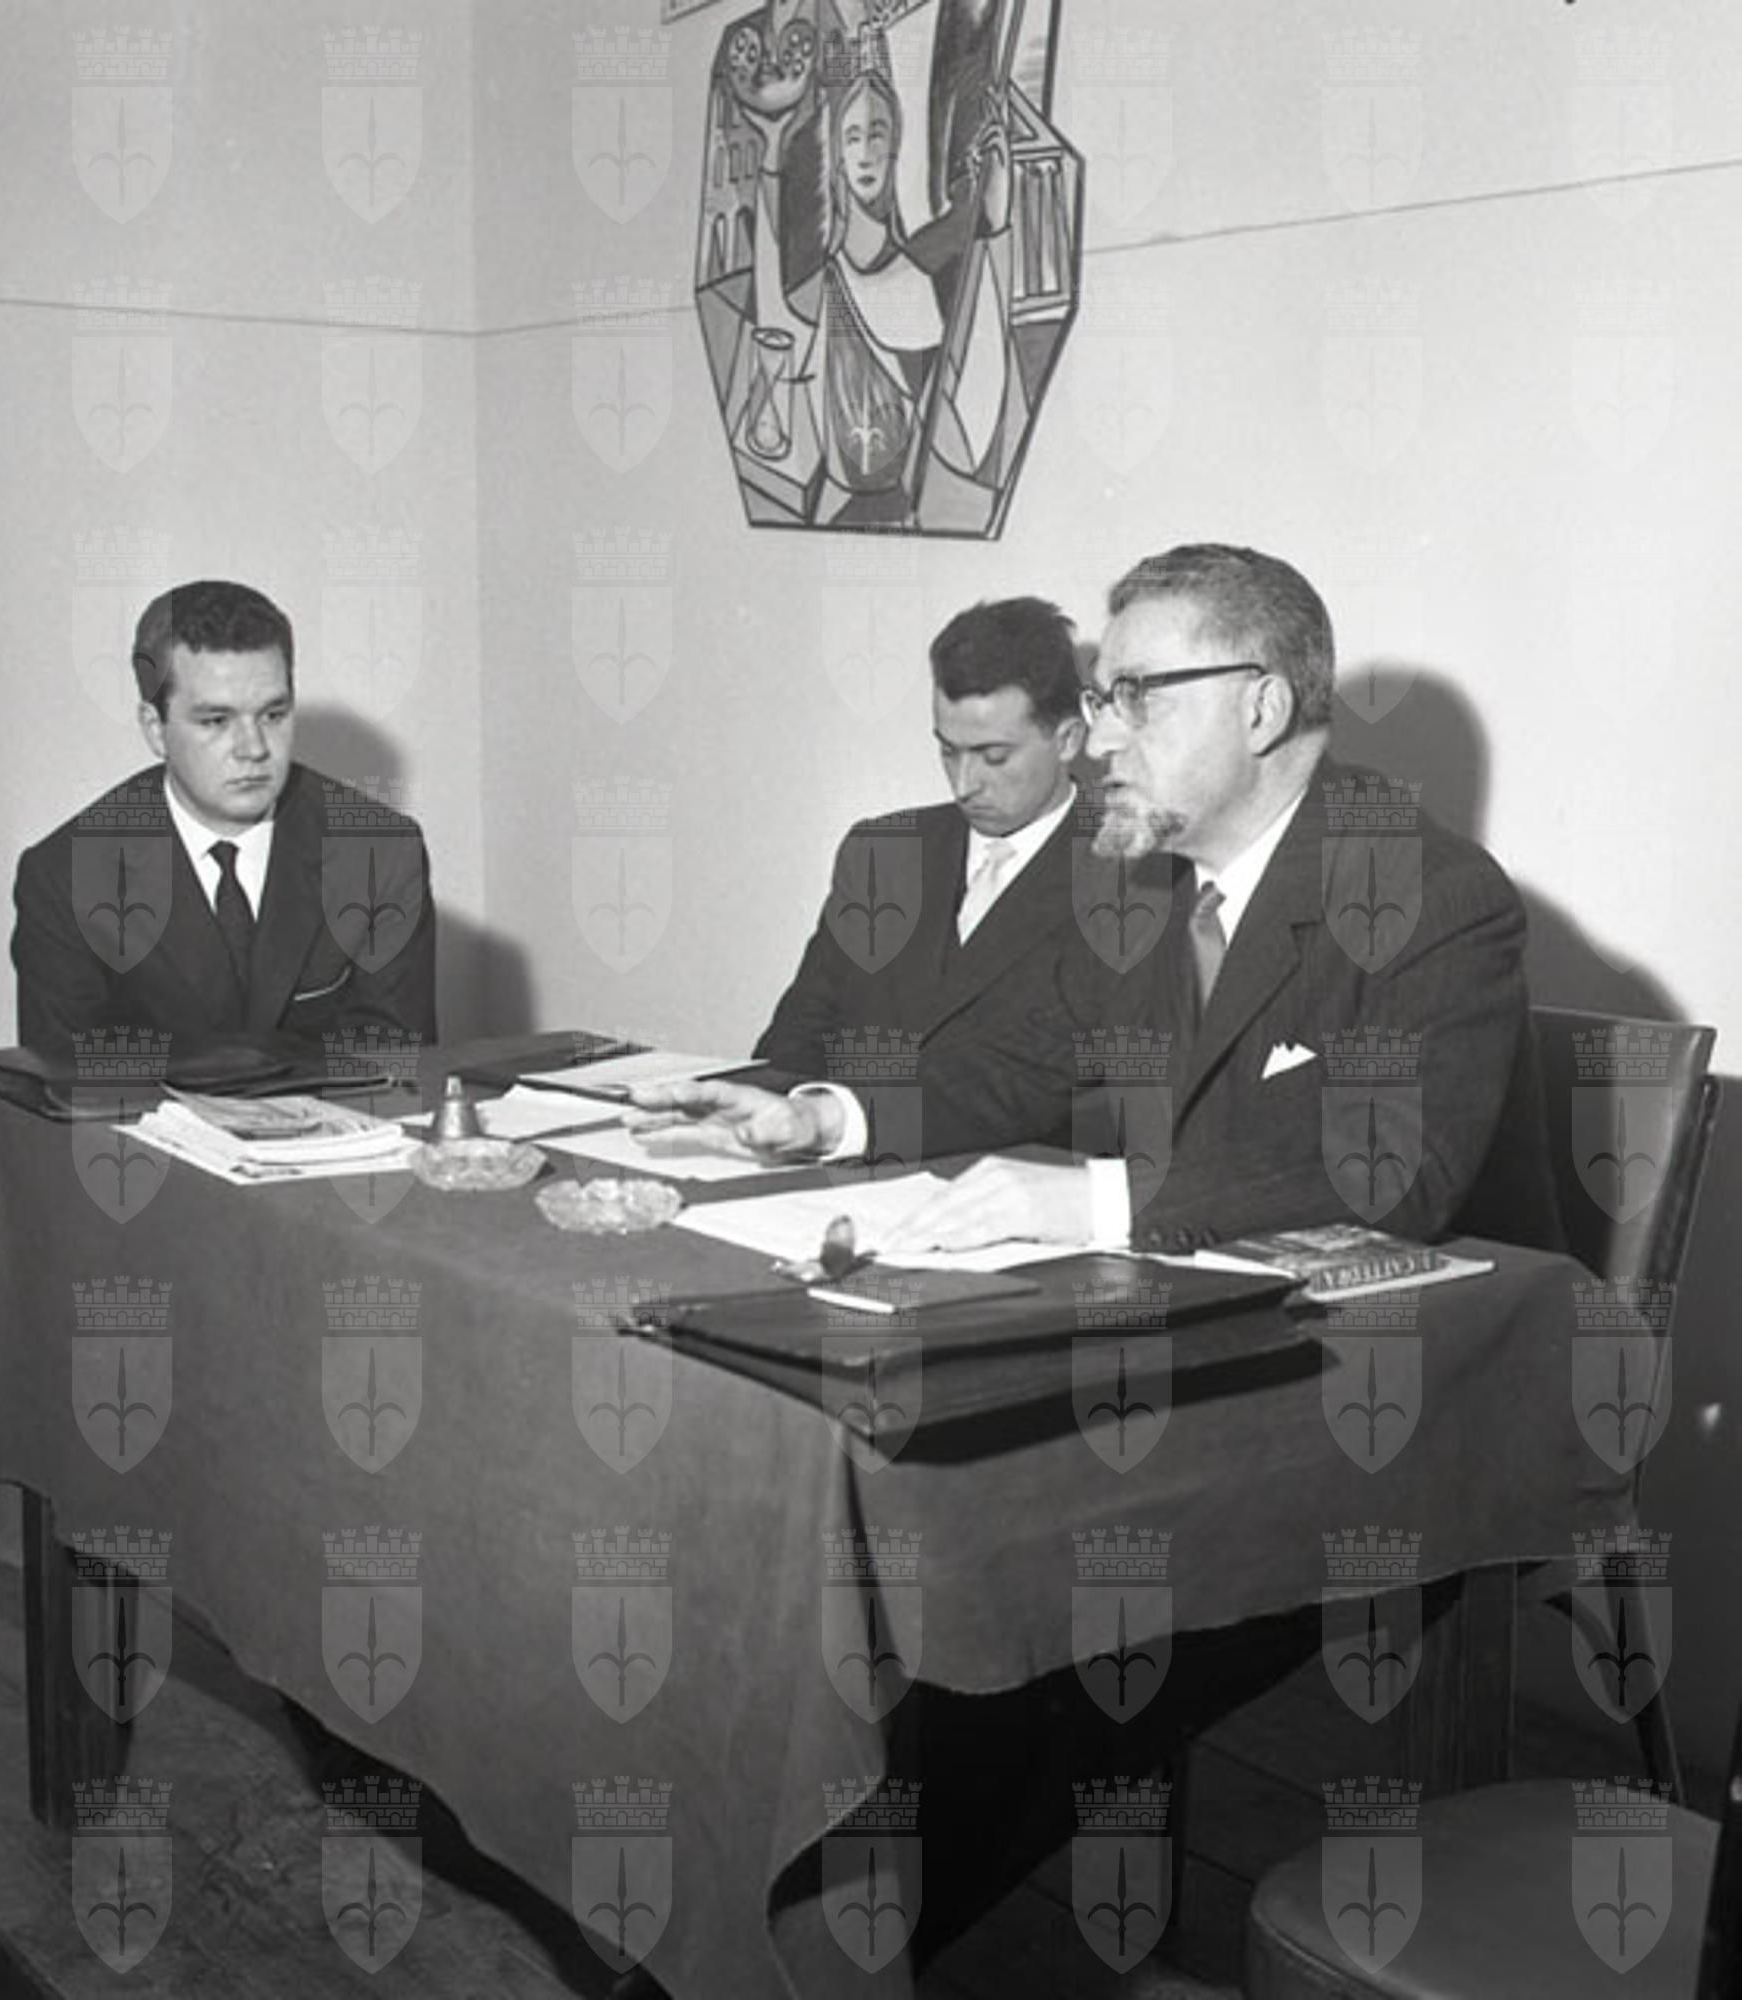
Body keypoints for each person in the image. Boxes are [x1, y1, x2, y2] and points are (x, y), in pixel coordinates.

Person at [641, 545, 1558, 1255]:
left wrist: (1092, 1201)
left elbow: (1393, 1170)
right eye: (1100, 700)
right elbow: (1025, 1069)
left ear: (1261, 710)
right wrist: (826, 1118)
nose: (1103, 740)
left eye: (1136, 698)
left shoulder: (1431, 894)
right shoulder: (1145, 884)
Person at [650, 596, 1116, 1163]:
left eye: (993, 756)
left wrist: (826, 1123)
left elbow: (1035, 1084)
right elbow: (800, 1037)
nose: (965, 784)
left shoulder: (1131, 874)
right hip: (833, 1178)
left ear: (1068, 739)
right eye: (949, 752)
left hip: (1012, 1188)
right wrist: (753, 1115)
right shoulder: (885, 851)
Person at [12, 579, 436, 1055]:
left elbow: (396, 1067)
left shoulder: (381, 853)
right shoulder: (65, 878)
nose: (253, 749)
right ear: (155, 729)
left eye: (273, 715)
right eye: (216, 721)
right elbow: (69, 1081)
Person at [742, 61, 1016, 525]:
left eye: (877, 135)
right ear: (838, 156)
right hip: (837, 497)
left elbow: (976, 381)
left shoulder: (923, 271)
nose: (866, 154)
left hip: (904, 499)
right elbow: (774, 310)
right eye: (852, 138)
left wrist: (997, 219)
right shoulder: (829, 279)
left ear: (894, 150)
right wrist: (771, 156)